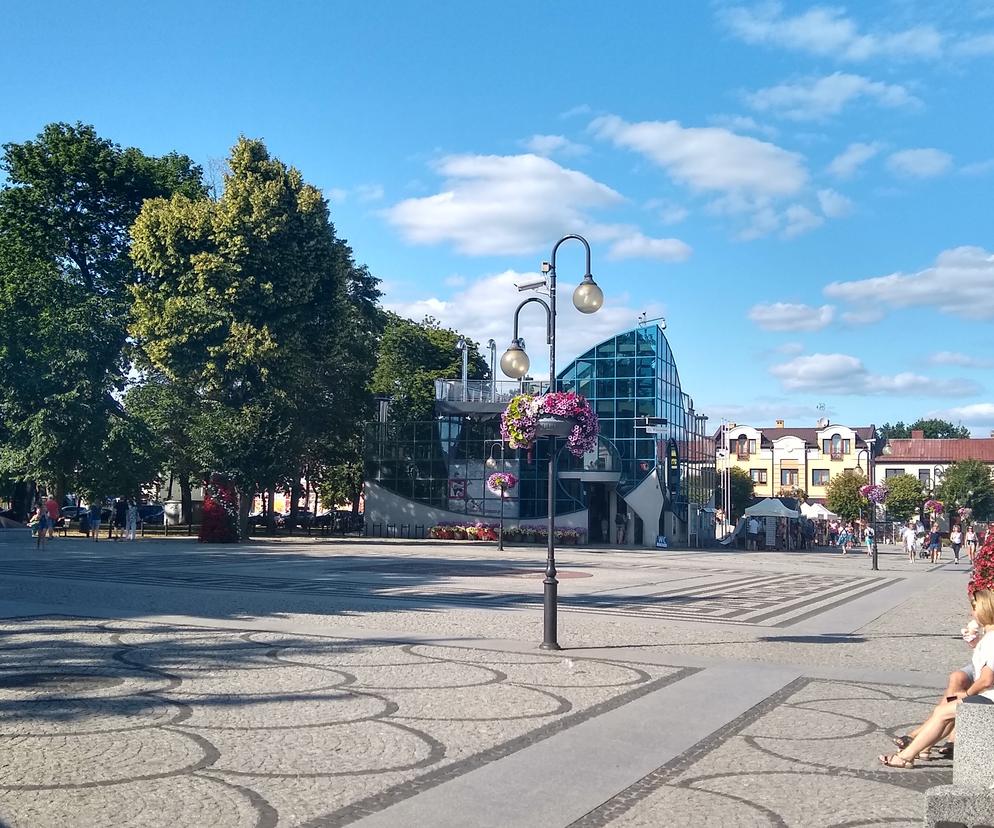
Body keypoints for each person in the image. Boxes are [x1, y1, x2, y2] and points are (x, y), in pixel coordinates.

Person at [879, 589, 994, 768]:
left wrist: (966, 695)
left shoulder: (992, 639)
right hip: (985, 696)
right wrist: (975, 645)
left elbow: (986, 680)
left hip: (989, 698)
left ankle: (907, 755)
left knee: (944, 711)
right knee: (945, 706)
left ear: (983, 611)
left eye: (974, 608)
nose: (971, 613)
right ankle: (918, 748)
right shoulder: (988, 637)